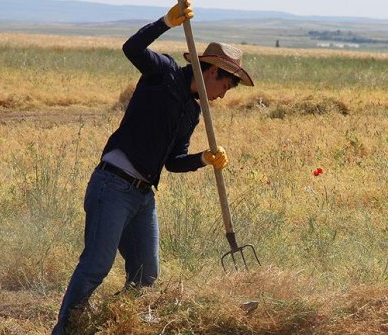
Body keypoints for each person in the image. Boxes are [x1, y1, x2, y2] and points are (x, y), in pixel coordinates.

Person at [51, 0, 254, 333]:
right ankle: (65, 329)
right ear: (212, 71)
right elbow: (131, 48)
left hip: (144, 197)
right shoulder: (164, 72)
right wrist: (164, 22)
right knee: (96, 266)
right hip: (113, 185)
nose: (223, 95)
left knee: (146, 277)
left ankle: (113, 323)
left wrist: (203, 159)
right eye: (226, 86)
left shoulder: (192, 112)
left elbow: (173, 162)